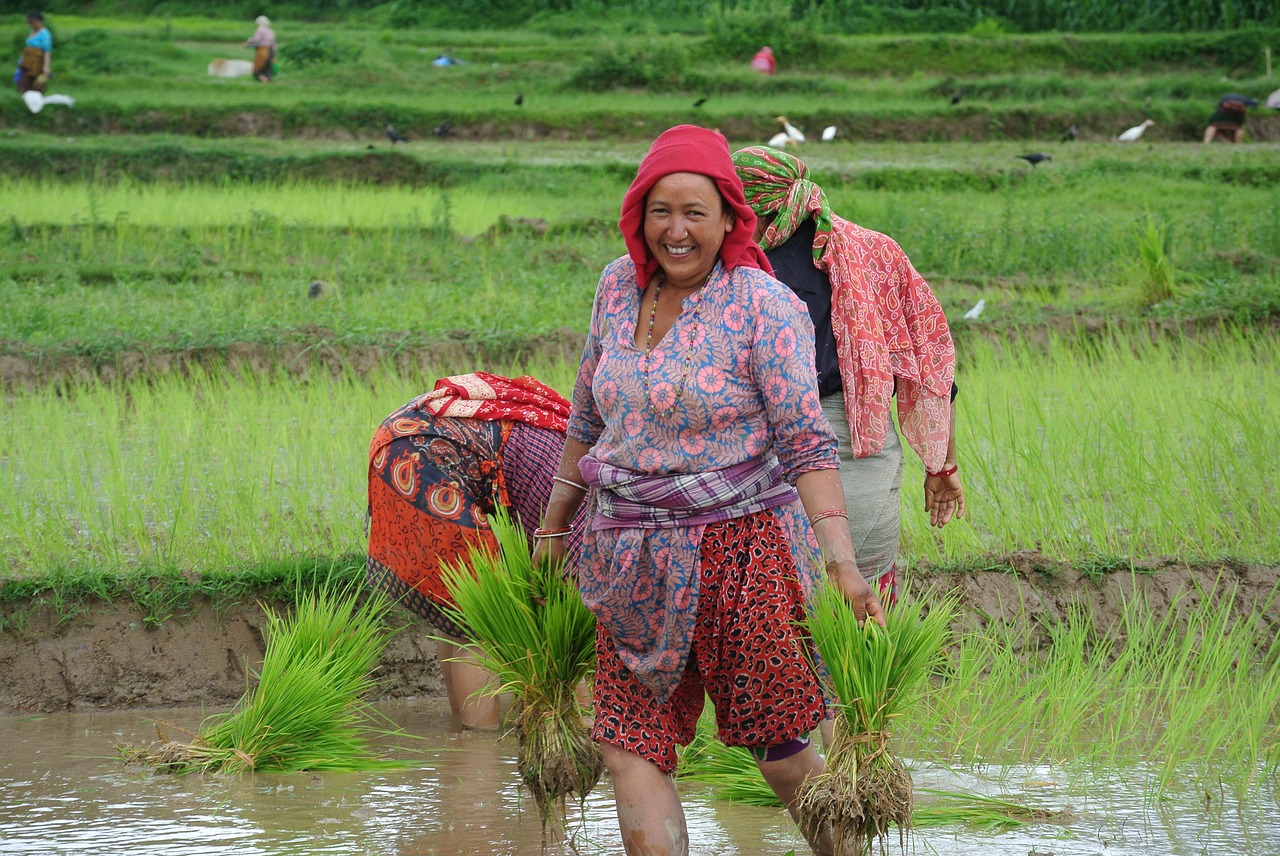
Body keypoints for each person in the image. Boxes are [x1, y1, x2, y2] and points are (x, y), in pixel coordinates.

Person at [532, 124, 884, 856]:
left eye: (695, 211)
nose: (677, 229)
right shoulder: (614, 288)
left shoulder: (763, 305)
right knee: (629, 743)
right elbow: (588, 415)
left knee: (781, 750)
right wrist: (554, 528)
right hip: (626, 555)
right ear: (639, 215)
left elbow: (807, 443)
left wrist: (844, 563)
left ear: (729, 217)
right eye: (661, 210)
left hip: (743, 551)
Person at [732, 145, 965, 604]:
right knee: (856, 595)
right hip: (845, 445)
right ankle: (860, 674)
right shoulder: (876, 252)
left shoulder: (740, 268)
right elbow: (933, 367)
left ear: (753, 207)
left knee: (782, 598)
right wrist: (943, 465)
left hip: (787, 442)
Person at [366, 372, 587, 730]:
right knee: (482, 621)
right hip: (428, 454)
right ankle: (479, 748)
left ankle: (462, 731)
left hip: (402, 438)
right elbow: (564, 619)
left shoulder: (578, 454)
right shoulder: (587, 506)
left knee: (460, 610)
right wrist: (585, 720)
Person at [15, 10, 51, 95]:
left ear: (40, 21)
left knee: (36, 85)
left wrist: (46, 66)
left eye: (33, 22)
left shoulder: (45, 33)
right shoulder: (32, 31)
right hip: (27, 63)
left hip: (37, 64)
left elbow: (47, 51)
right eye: (30, 22)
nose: (32, 24)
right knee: (23, 83)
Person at [243, 15, 276, 83]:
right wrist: (273, 55)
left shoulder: (260, 30)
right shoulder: (271, 31)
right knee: (267, 68)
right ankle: (268, 80)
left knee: (257, 69)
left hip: (263, 51)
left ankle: (264, 80)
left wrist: (248, 42)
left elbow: (256, 39)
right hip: (270, 51)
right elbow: (273, 44)